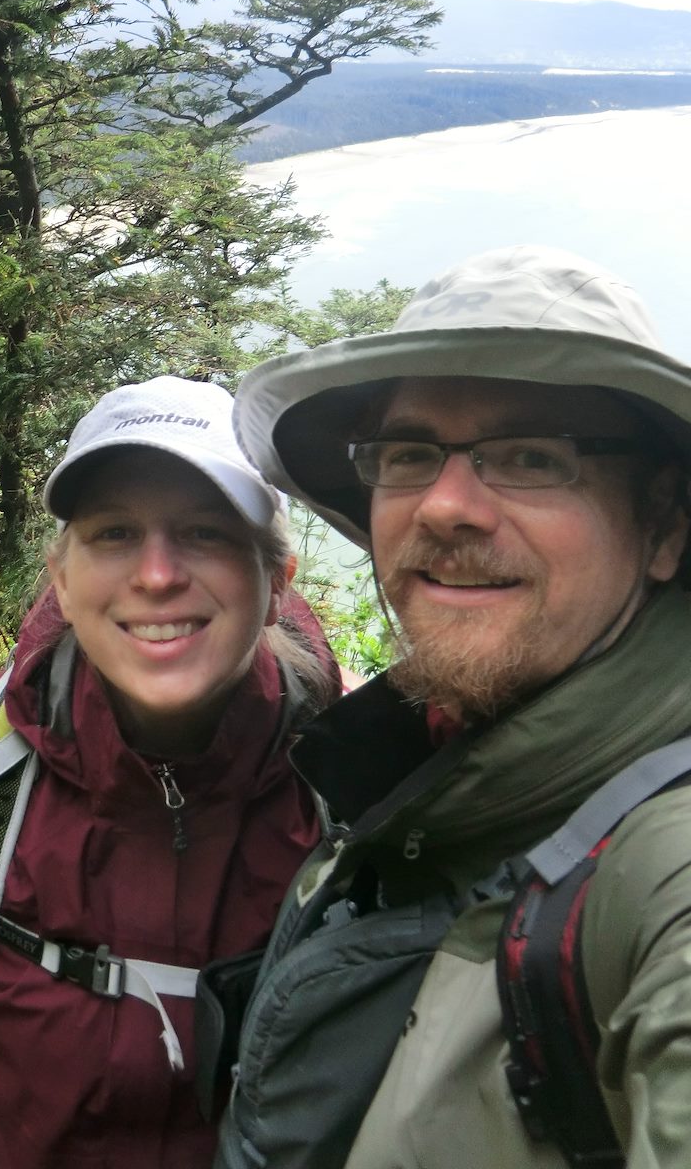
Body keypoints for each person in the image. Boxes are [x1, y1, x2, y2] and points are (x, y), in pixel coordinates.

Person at [214, 245, 691, 1169]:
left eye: (530, 457)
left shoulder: (662, 868)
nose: (445, 505)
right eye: (408, 453)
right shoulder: (423, 774)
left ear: (664, 523)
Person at [0, 375, 338, 1169]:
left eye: (206, 533)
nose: (155, 575)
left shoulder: (354, 789)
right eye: (113, 533)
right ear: (64, 578)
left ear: (276, 581)